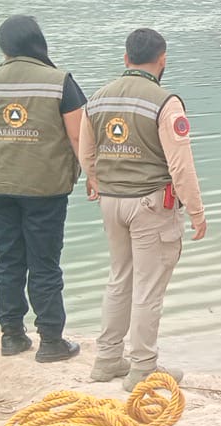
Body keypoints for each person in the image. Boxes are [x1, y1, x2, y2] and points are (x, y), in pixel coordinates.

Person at [79, 28, 208, 391]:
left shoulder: (97, 99)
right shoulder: (166, 103)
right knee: (148, 288)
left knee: (119, 279)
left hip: (111, 202)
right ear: (162, 59)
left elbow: (86, 152)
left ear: (126, 58)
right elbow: (180, 166)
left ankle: (107, 360)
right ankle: (143, 367)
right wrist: (196, 212)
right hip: (150, 205)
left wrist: (95, 178)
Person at [0, 15, 86, 362]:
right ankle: (51, 341)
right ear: (38, 42)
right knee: (44, 263)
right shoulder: (59, 81)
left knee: (8, 259)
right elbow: (78, 136)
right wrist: (94, 176)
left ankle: (12, 337)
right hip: (45, 187)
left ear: (4, 46)